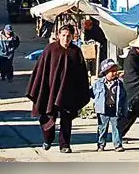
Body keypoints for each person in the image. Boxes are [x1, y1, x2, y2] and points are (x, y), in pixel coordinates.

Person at [26, 24, 90, 154]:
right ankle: (47, 140)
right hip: (50, 91)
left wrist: (81, 91)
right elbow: (41, 71)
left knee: (67, 119)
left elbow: (81, 73)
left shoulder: (76, 51)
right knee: (48, 117)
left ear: (73, 37)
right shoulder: (51, 49)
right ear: (58, 36)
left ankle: (64, 144)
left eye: (69, 36)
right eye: (63, 35)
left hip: (68, 92)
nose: (66, 39)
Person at [91, 59, 128, 152]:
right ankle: (101, 144)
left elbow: (124, 97)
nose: (115, 73)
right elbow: (92, 93)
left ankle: (118, 144)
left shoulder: (120, 84)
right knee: (102, 128)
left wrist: (124, 109)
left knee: (117, 127)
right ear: (105, 72)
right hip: (103, 109)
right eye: (112, 71)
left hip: (115, 108)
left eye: (116, 71)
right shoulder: (98, 83)